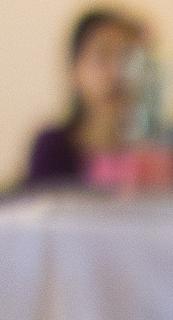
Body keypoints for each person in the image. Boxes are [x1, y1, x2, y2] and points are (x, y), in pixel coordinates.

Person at [25, 8, 145, 187]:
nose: (118, 71)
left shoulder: (162, 150)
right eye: (102, 55)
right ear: (75, 69)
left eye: (129, 58)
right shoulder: (52, 147)